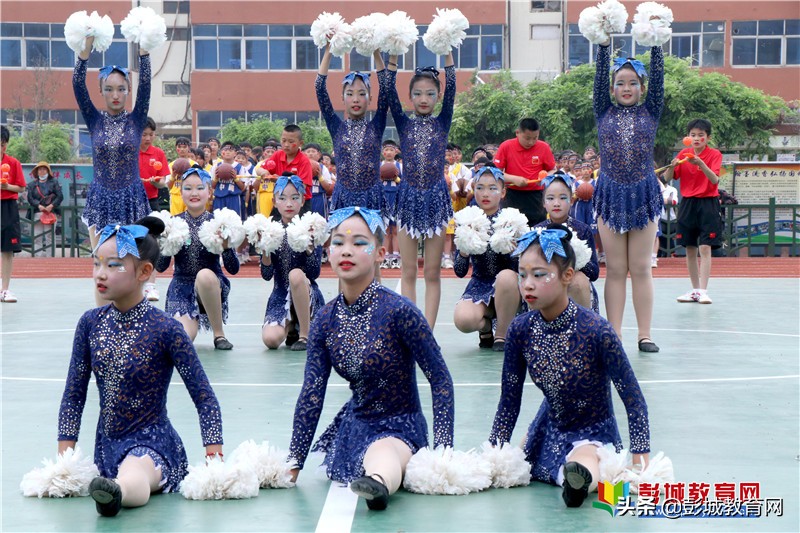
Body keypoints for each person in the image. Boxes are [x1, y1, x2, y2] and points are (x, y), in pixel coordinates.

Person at [287, 206, 455, 511]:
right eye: (338, 243)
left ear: (379, 254)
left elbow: (440, 379)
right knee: (372, 449)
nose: (346, 251)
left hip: (401, 426)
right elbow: (312, 393)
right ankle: (373, 477)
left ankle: (378, 483)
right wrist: (294, 460)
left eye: (358, 243)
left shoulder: (400, 311)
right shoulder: (324, 320)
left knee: (383, 452)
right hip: (354, 426)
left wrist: (443, 452)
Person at [57, 217, 223, 517]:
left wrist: (214, 456)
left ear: (144, 272)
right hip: (106, 447)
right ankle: (112, 486)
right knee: (119, 469)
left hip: (154, 443)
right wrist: (63, 464)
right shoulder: (89, 324)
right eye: (97, 264)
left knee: (136, 471)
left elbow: (204, 396)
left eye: (114, 265)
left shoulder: (167, 329)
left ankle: (117, 494)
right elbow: (73, 395)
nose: (100, 274)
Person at [488, 225, 650, 508]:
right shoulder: (519, 330)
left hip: (594, 431)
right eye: (523, 275)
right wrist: (494, 452)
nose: (527, 284)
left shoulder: (597, 330)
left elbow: (633, 400)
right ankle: (572, 477)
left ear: (567, 276)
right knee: (522, 459)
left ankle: (580, 479)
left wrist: (642, 462)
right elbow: (509, 400)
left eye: (539, 275)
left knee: (586, 457)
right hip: (548, 430)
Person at [591, 40, 665, 352]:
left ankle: (644, 334)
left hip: (644, 194)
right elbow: (597, 78)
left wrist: (657, 45)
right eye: (620, 83)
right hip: (609, 194)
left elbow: (660, 79)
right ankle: (615, 334)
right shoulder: (602, 110)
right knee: (616, 269)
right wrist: (604, 46)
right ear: (610, 88)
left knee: (641, 267)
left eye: (633, 83)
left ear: (643, 87)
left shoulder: (652, 111)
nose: (626, 88)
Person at [74, 36, 152, 306]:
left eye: (121, 89)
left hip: (131, 198)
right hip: (101, 199)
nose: (115, 95)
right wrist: (83, 55)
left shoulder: (137, 118)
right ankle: (102, 322)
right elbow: (77, 85)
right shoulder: (94, 120)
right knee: (102, 263)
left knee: (131, 263)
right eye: (109, 89)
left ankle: (131, 321)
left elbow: (147, 88)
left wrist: (144, 55)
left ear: (128, 91)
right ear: (102, 91)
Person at [387, 53, 456, 328]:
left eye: (430, 93)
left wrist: (448, 49)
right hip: (408, 199)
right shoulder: (404, 124)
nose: (424, 98)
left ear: (438, 97)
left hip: (437, 199)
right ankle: (412, 330)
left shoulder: (443, 120)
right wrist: (392, 56)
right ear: (410, 97)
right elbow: (388, 92)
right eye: (418, 94)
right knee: (408, 272)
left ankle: (428, 330)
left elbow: (452, 85)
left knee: (432, 272)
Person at [155, 168, 239, 350]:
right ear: (180, 192)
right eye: (188, 188)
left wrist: (226, 246)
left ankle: (219, 334)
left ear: (210, 192)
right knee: (180, 340)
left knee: (204, 275)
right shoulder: (171, 223)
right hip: (181, 287)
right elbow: (161, 267)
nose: (194, 193)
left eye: (200, 188)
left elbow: (233, 268)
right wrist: (163, 243)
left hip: (212, 284)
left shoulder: (218, 222)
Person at [453, 166, 521, 351]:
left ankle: (502, 334)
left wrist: (515, 250)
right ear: (473, 190)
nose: (485, 193)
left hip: (510, 287)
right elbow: (459, 271)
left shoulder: (512, 220)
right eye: (480, 187)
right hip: (480, 284)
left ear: (503, 192)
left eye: (492, 188)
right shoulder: (467, 220)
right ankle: (486, 327)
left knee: (506, 276)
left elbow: (521, 268)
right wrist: (464, 251)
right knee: (463, 320)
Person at [316, 45, 389, 219]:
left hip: (372, 199)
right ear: (342, 98)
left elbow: (386, 88)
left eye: (361, 93)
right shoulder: (336, 127)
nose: (355, 99)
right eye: (350, 93)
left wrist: (376, 51)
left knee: (371, 246)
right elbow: (320, 88)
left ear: (370, 98)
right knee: (344, 245)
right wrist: (328, 50)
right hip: (343, 198)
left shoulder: (376, 126)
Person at [260, 174, 324, 352]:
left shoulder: (311, 226)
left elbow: (314, 273)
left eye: (295, 198)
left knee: (296, 274)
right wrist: (265, 248)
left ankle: (305, 333)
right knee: (271, 340)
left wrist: (310, 247)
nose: (289, 204)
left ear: (303, 201)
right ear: (274, 201)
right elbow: (266, 275)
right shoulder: (270, 229)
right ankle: (291, 325)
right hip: (280, 294)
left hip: (306, 291)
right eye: (282, 198)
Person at [664, 119, 723, 304]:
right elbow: (666, 178)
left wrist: (700, 163)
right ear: (688, 137)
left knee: (705, 247)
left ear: (708, 138)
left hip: (708, 203)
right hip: (688, 203)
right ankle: (695, 290)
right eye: (693, 135)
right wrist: (672, 166)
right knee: (690, 248)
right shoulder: (684, 154)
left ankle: (704, 291)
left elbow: (714, 180)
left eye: (701, 135)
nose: (696, 138)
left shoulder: (714, 155)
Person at [534, 172, 599, 313]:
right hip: (545, 285)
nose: (556, 203)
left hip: (574, 286)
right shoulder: (537, 230)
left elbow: (594, 273)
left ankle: (583, 329)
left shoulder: (582, 230)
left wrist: (577, 257)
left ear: (571, 200)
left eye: (563, 198)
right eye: (550, 198)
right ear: (544, 203)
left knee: (579, 280)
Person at [493, 118, 557, 227]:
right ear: (518, 133)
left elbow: (553, 170)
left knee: (537, 230)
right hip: (512, 195)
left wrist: (545, 178)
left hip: (536, 197)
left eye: (535, 138)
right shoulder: (506, 146)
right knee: (511, 229)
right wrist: (514, 179)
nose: (531, 142)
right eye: (527, 138)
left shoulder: (544, 147)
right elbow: (495, 173)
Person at [138, 117, 170, 301]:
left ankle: (151, 286)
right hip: (133, 203)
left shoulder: (158, 154)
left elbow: (162, 183)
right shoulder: (130, 153)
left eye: (151, 134)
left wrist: (156, 182)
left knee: (153, 244)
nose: (148, 138)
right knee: (131, 242)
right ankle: (131, 283)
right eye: (144, 134)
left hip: (151, 202)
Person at [256, 125, 313, 206]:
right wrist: (264, 172)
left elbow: (302, 187)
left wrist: (280, 180)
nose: (286, 144)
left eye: (291, 142)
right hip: (281, 200)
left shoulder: (304, 161)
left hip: (299, 203)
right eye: (283, 140)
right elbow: (258, 170)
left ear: (300, 143)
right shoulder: (277, 155)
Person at [1, 126, 26, 302]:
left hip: (8, 207)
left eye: (3, 144)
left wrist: (7, 187)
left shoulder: (13, 163)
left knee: (7, 249)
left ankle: (5, 290)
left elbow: (21, 187)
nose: (1, 148)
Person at [25, 161, 64, 257]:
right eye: (40, 169)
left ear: (48, 171)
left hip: (50, 212)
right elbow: (30, 198)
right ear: (37, 172)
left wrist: (52, 206)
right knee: (36, 236)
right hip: (37, 212)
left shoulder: (54, 182)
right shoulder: (31, 185)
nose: (42, 171)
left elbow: (60, 196)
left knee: (49, 236)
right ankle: (38, 257)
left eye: (44, 169)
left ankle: (50, 257)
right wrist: (39, 205)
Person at [380, 140, 402, 268]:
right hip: (383, 197)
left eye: (391, 150)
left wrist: (396, 178)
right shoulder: (379, 165)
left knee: (395, 229)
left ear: (396, 152)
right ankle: (385, 256)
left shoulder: (399, 166)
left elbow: (404, 184)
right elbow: (374, 183)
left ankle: (395, 256)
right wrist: (381, 178)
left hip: (396, 197)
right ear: (383, 152)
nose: (388, 152)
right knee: (385, 229)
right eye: (386, 150)